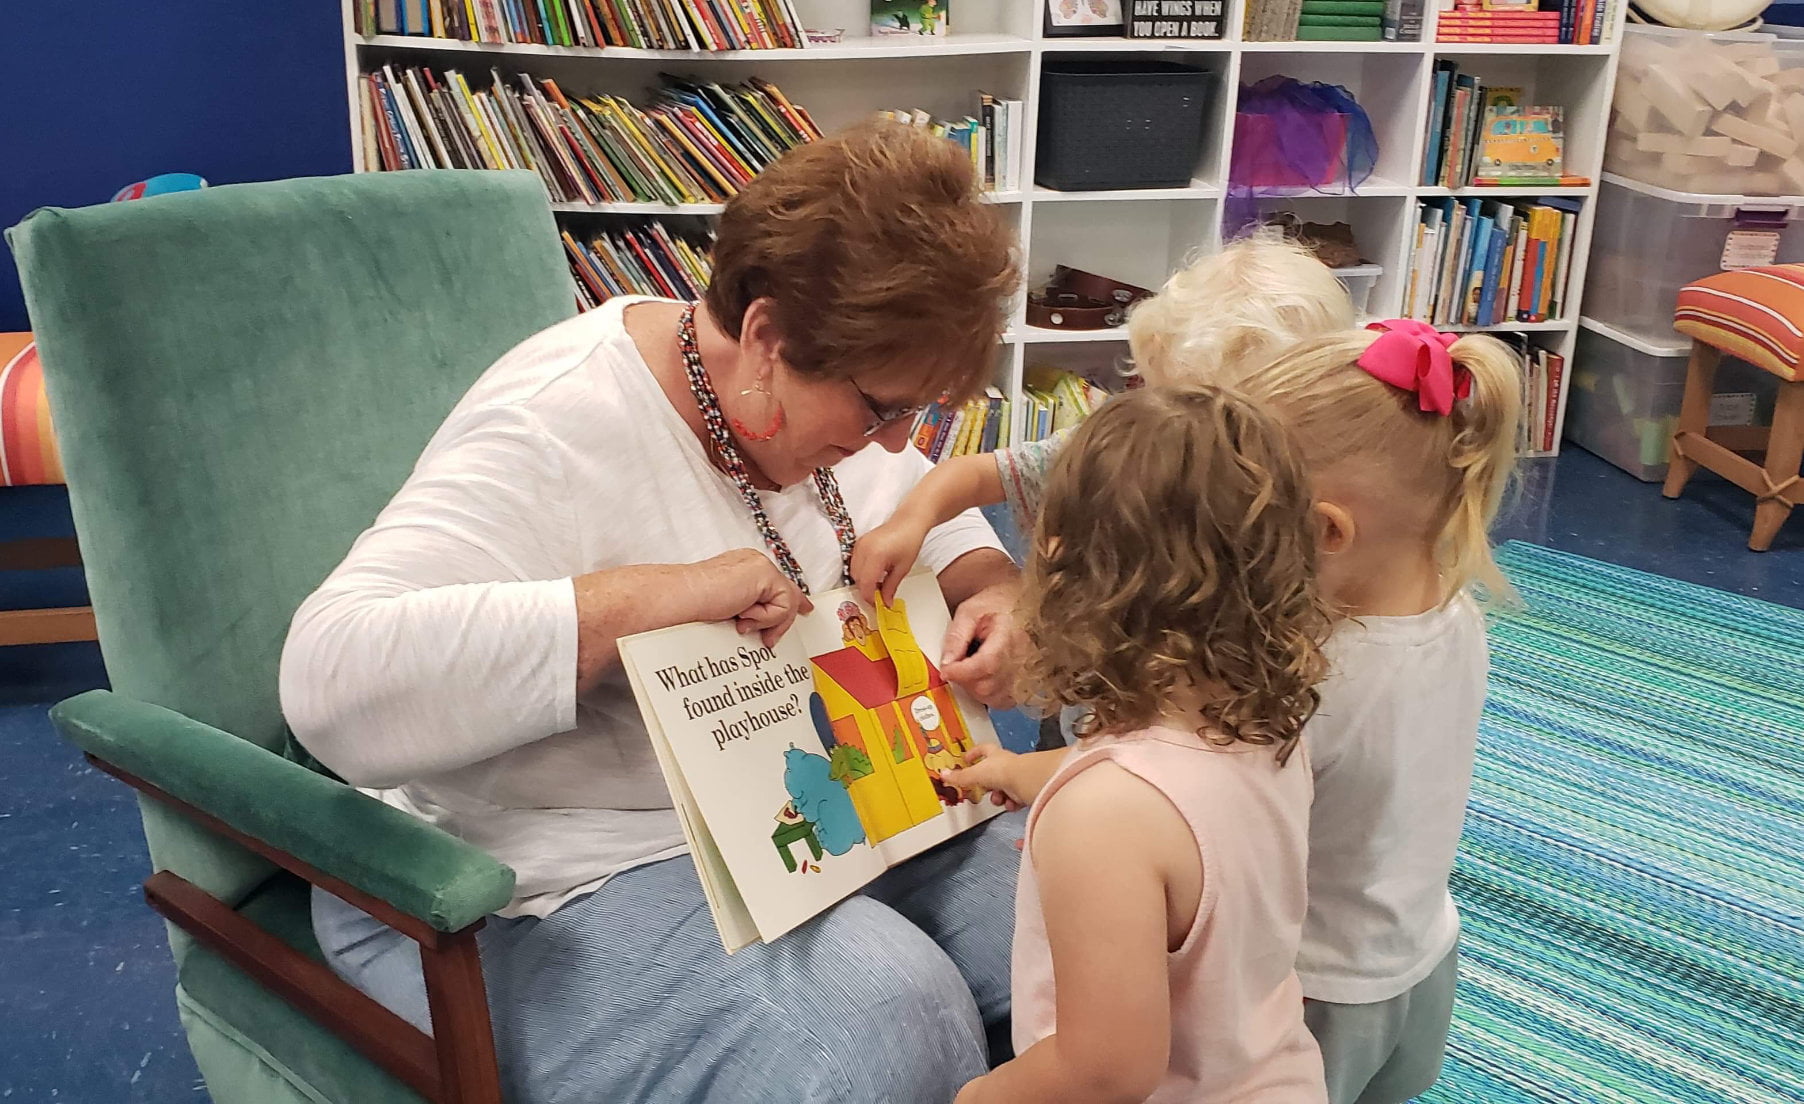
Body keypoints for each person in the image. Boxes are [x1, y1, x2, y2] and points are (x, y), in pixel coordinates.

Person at [278, 121, 1026, 1104]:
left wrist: (991, 586)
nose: (892, 440)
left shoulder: (813, 406)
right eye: (881, 409)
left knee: (1101, 906)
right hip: (550, 867)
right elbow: (328, 680)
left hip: (788, 808)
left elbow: (914, 505)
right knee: (892, 1021)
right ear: (765, 336)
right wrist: (638, 600)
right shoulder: (560, 420)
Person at [953, 386, 1333, 1103]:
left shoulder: (1102, 819)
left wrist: (977, 1096)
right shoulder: (1264, 720)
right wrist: (1010, 770)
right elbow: (1174, 813)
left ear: (1063, 568)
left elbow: (1104, 1071)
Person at [1215, 320, 1521, 1104]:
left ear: (1324, 530)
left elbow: (1192, 800)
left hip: (1318, 986)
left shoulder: (1312, 679)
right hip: (1419, 950)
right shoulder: (1457, 615)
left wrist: (1034, 771)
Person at [851, 230, 1354, 604]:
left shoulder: (1317, 487)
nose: (1191, 441)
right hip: (1105, 686)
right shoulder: (1130, 441)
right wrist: (911, 522)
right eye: (1168, 404)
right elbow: (975, 474)